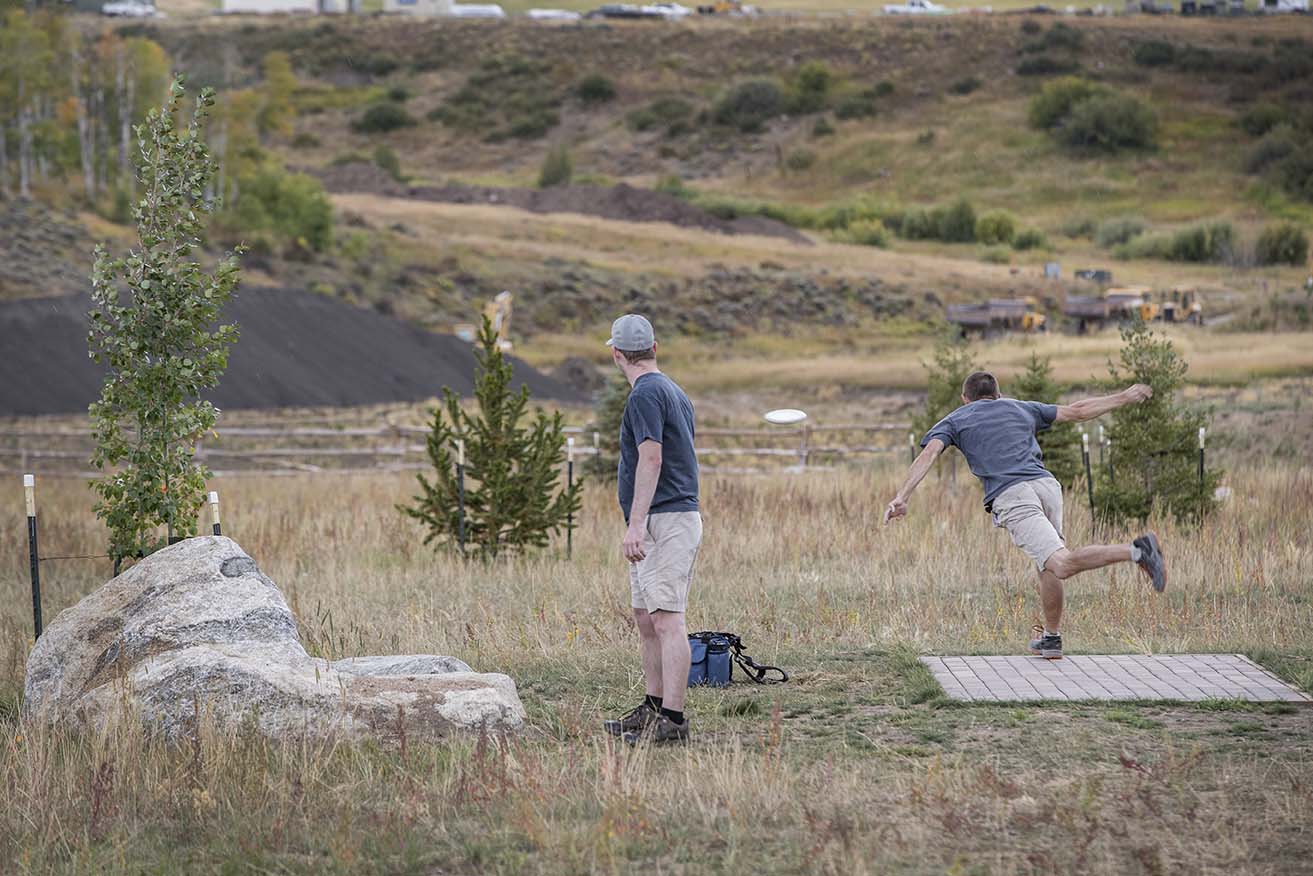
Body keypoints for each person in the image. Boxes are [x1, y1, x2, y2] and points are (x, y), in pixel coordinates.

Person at [883, 371, 1167, 660]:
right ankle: (1052, 638)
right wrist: (1124, 396)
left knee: (1062, 563)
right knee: (1047, 563)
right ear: (998, 394)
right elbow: (1078, 411)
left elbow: (929, 454)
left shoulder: (956, 418)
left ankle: (1136, 550)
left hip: (1014, 495)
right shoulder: (1021, 406)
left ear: (965, 399)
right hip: (1046, 487)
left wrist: (902, 496)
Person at [601, 314, 703, 744]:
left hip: (665, 518)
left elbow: (652, 458)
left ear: (616, 354)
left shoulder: (645, 394)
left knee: (667, 620)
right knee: (646, 618)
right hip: (660, 519)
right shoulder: (671, 389)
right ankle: (654, 705)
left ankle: (674, 721)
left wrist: (636, 524)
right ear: (655, 347)